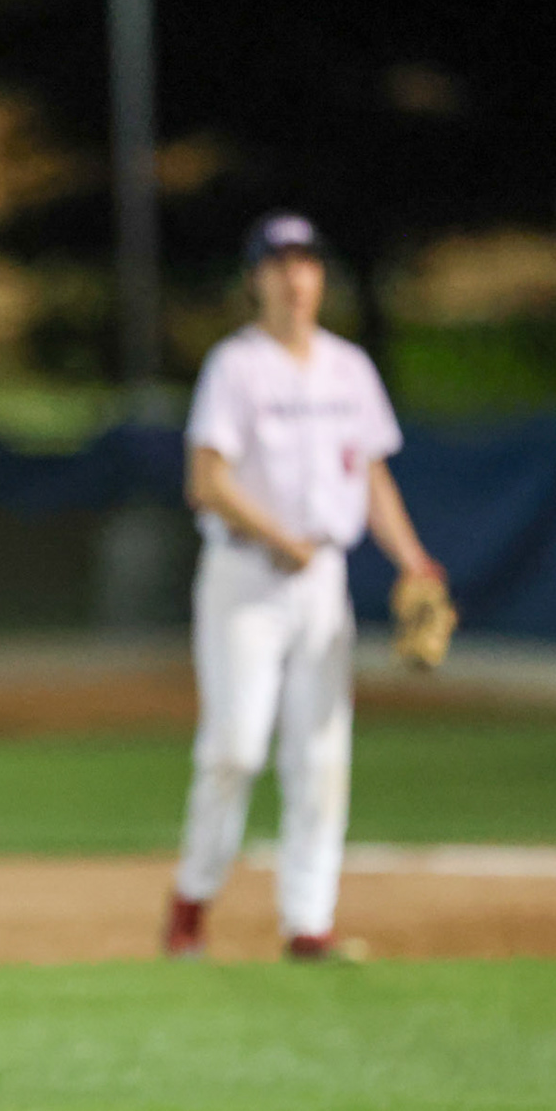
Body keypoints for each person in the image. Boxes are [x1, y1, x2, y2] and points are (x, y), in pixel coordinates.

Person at [165, 211, 442, 961]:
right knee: (236, 746)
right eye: (279, 262)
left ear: (320, 275)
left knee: (321, 754)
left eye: (307, 261)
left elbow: (373, 472)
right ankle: (192, 898)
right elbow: (205, 481)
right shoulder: (237, 365)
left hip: (321, 578)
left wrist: (415, 561)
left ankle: (308, 921)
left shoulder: (350, 368)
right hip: (246, 579)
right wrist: (280, 537)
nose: (295, 275)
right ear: (256, 278)